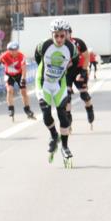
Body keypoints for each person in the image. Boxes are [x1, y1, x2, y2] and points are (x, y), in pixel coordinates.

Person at [34, 18, 79, 165]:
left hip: (59, 83)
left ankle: (65, 147)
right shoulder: (43, 46)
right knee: (46, 113)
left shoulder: (71, 48)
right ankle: (54, 135)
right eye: (56, 36)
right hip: (44, 83)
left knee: (63, 115)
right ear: (51, 34)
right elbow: (37, 58)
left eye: (62, 35)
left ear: (66, 34)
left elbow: (75, 64)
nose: (59, 39)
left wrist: (69, 79)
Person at [65, 25, 96, 128]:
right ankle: (68, 119)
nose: (63, 36)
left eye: (66, 33)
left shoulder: (78, 43)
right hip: (68, 72)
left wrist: (83, 71)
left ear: (70, 33)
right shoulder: (58, 45)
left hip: (79, 70)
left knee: (84, 95)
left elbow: (86, 56)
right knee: (67, 97)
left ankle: (90, 110)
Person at [0, 41, 34, 121]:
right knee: (10, 90)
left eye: (15, 50)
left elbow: (24, 69)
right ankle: (11, 109)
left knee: (23, 91)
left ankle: (27, 109)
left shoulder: (21, 56)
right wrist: (0, 60)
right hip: (9, 75)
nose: (13, 52)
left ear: (18, 49)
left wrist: (23, 79)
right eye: (11, 50)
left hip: (19, 75)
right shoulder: (5, 55)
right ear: (8, 50)